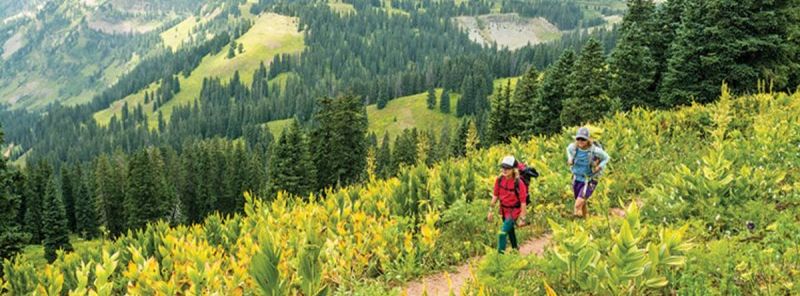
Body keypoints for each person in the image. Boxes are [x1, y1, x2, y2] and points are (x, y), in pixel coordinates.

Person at [567, 127, 610, 218]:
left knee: (577, 205)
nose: (580, 141)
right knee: (582, 202)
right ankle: (585, 220)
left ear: (588, 140)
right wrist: (570, 159)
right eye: (578, 138)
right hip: (577, 178)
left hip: (589, 180)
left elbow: (606, 157)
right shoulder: (573, 148)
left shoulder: (594, 151)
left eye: (583, 139)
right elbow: (568, 150)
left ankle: (576, 223)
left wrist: (600, 166)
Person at [488, 155, 527, 253]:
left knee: (502, 233)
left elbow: (523, 202)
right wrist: (490, 210)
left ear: (513, 169)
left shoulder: (519, 183)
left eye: (507, 168)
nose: (504, 170)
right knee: (510, 231)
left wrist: (522, 218)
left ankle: (499, 259)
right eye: (503, 167)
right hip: (504, 210)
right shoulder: (499, 180)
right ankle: (515, 249)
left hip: (513, 211)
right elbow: (495, 196)